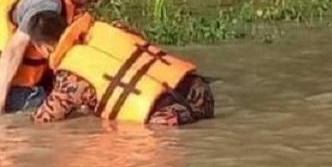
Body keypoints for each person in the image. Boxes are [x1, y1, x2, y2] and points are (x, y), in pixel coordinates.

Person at [26, 11, 215, 126]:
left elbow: (45, 120)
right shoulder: (113, 27)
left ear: (43, 48)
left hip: (167, 118)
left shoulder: (70, 77)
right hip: (201, 93)